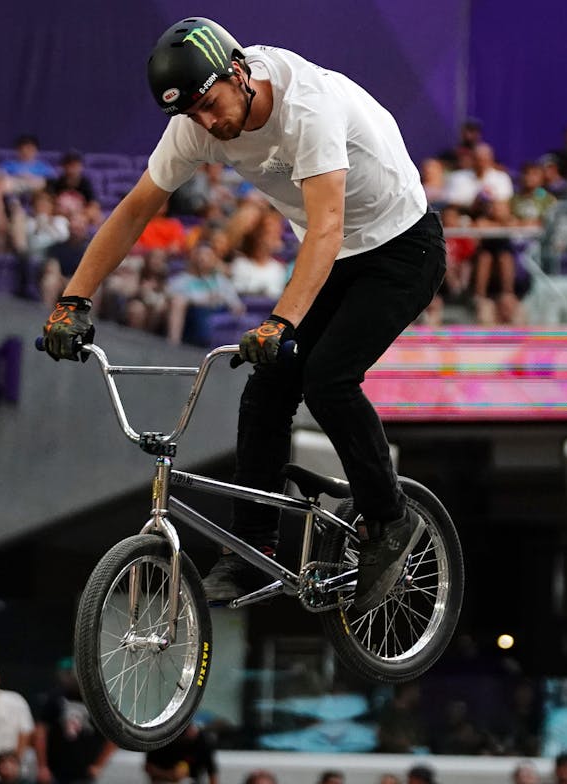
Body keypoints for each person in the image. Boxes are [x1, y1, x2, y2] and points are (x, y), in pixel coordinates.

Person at [41, 17, 445, 611]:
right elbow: (134, 212)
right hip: (332, 253)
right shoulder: (196, 123)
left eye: (209, 104)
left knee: (328, 377)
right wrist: (72, 300)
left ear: (238, 73)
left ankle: (390, 521)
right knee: (265, 391)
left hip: (400, 248)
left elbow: (328, 228)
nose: (208, 124)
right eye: (193, 116)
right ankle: (252, 551)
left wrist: (280, 322)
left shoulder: (307, 105)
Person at [33, 659, 115, 784]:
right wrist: (42, 766)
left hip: (85, 771)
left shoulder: (101, 701)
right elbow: (41, 732)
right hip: (55, 770)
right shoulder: (56, 697)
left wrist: (99, 764)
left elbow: (114, 735)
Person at [144, 724, 216, 784]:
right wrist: (168, 774)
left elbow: (211, 771)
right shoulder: (161, 741)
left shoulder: (201, 743)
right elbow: (148, 767)